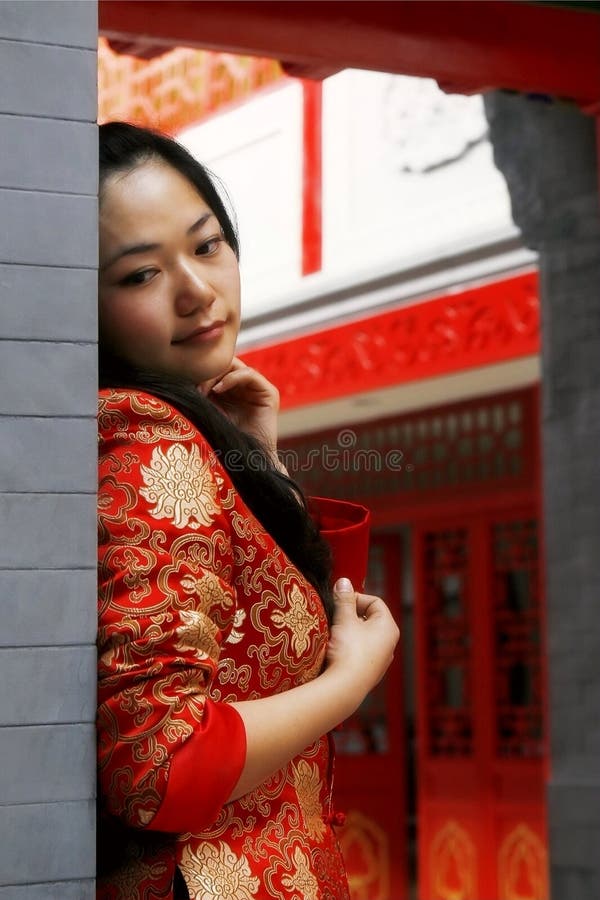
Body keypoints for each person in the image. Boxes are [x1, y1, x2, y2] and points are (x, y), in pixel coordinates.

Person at [97, 121, 400, 900]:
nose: (197, 291)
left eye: (206, 246)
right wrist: (351, 685)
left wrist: (253, 465)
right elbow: (158, 769)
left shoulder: (179, 432)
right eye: (138, 276)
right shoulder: (143, 430)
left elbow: (270, 633)